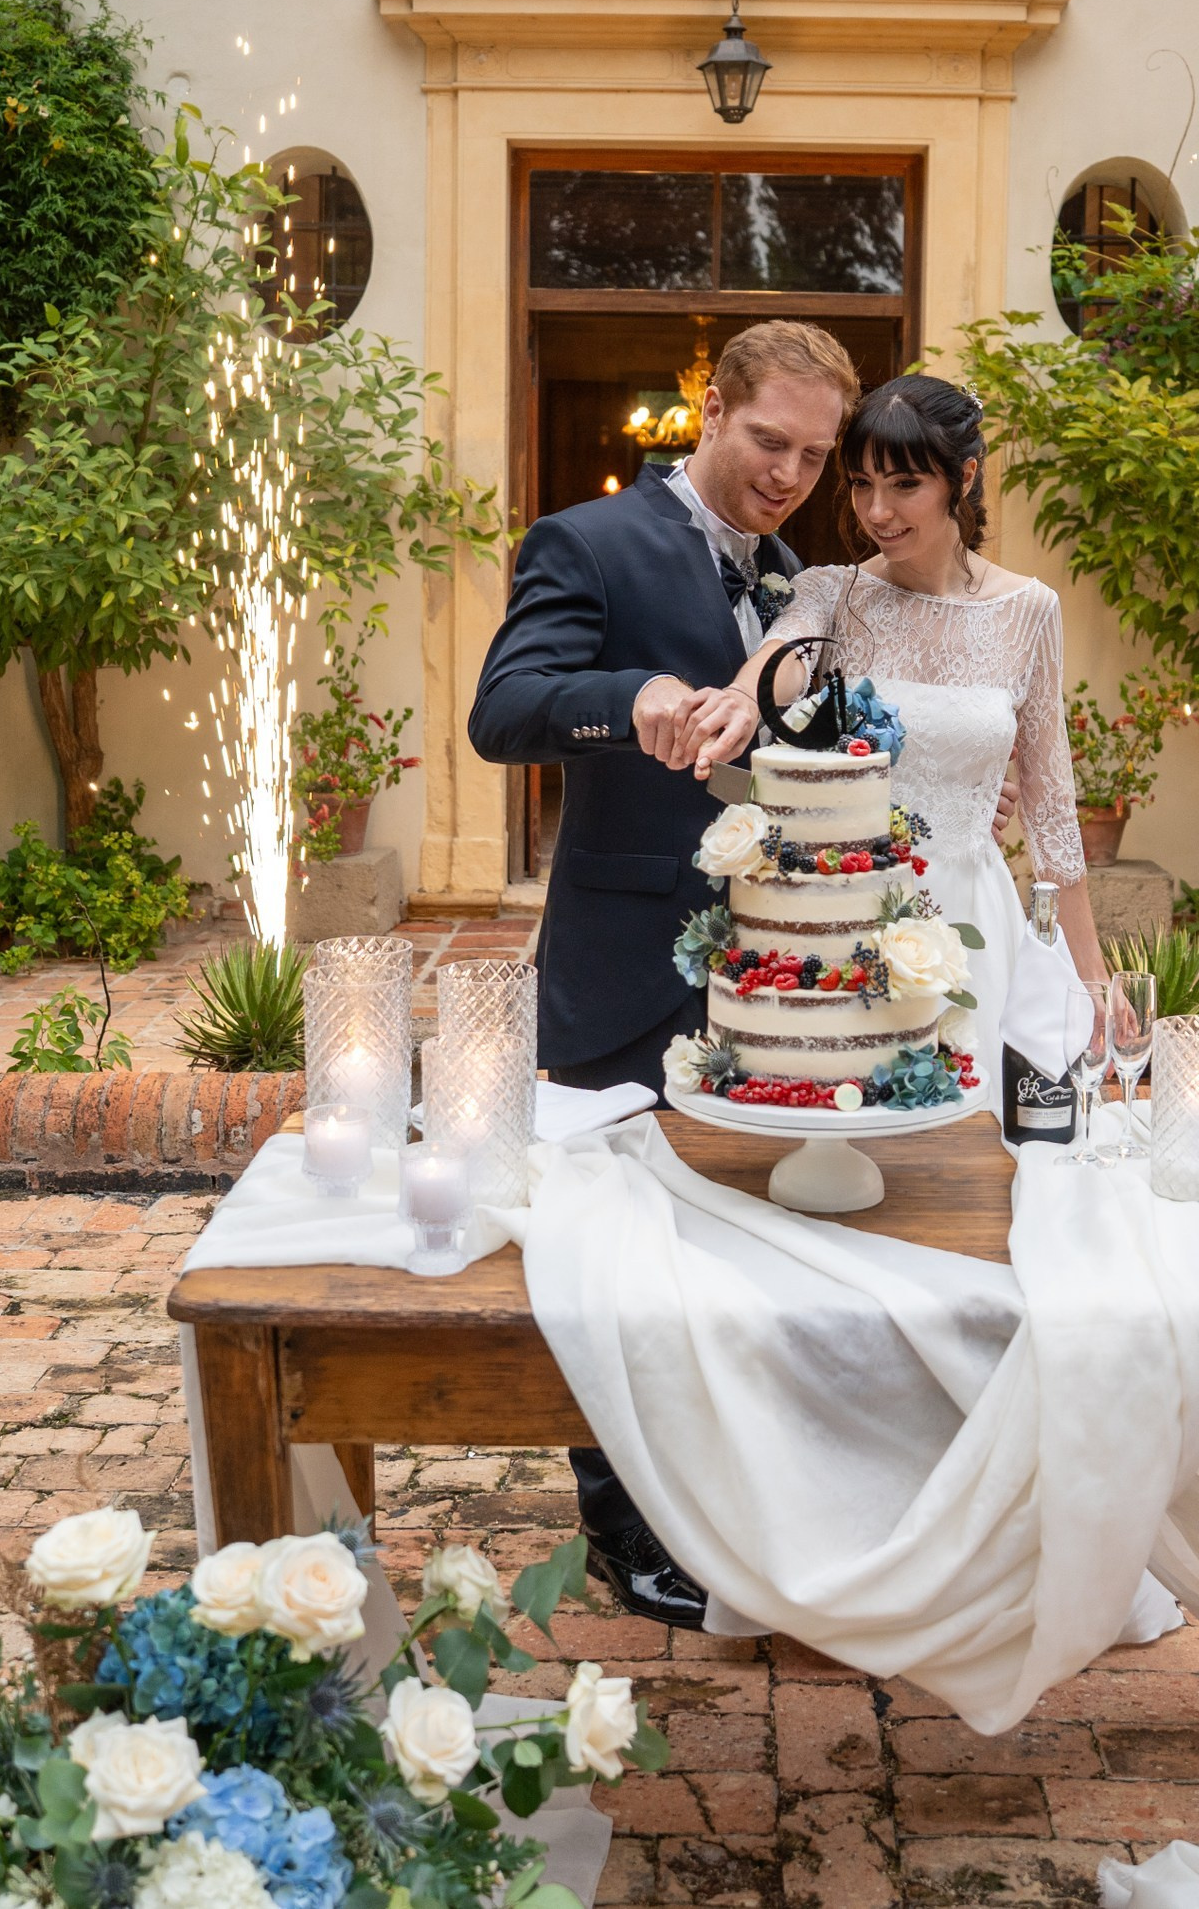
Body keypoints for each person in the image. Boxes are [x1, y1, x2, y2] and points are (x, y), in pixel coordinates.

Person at [468, 317, 860, 1627]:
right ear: (711, 410)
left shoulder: (797, 576)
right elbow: (502, 711)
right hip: (627, 960)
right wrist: (627, 694)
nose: (790, 475)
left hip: (776, 972)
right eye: (769, 442)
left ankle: (736, 1502)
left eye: (814, 455)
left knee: (748, 1251)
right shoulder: (588, 540)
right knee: (616, 1268)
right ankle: (625, 1529)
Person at [672, 373, 1106, 1112]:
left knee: (972, 1141)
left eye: (905, 484)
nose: (878, 511)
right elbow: (779, 664)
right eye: (862, 484)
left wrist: (1089, 976)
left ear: (963, 477)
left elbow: (1052, 811)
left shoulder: (1030, 611)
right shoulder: (832, 594)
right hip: (852, 914)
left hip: (973, 915)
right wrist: (741, 700)